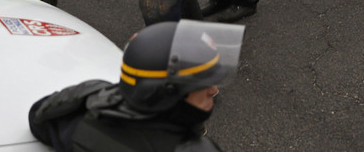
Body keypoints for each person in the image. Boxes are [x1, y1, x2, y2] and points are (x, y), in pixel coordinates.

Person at [30, 20, 239, 150]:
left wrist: (99, 94)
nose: (213, 90)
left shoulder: (82, 120)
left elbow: (39, 115)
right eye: (202, 84)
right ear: (165, 93)